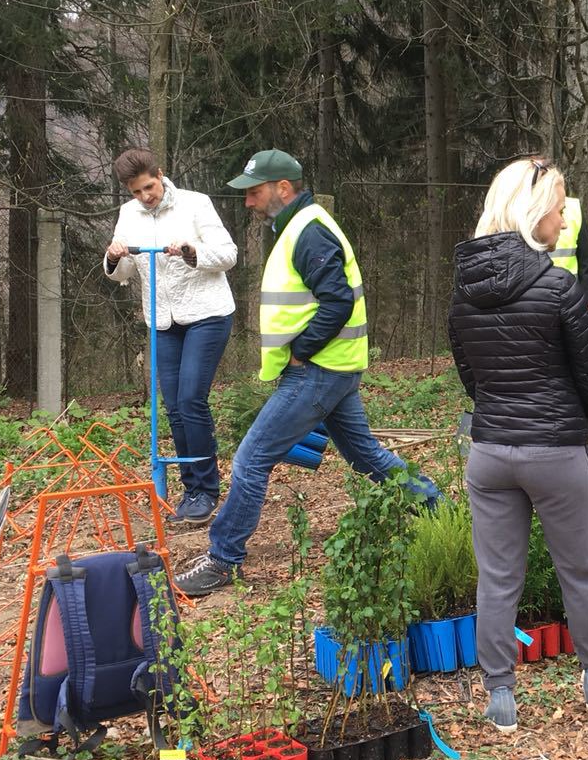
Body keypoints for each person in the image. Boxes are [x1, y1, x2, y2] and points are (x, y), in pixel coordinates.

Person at [176, 149, 441, 597]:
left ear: (284, 188)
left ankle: (223, 560)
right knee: (366, 457)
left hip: (318, 371)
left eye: (255, 192)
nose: (248, 202)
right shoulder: (298, 226)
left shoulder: (310, 231)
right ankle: (441, 510)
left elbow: (336, 300)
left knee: (251, 458)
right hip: (330, 369)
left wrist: (302, 349)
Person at [448, 157, 588, 732]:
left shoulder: (464, 292)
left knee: (497, 577)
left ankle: (500, 695)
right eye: (558, 203)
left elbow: (469, 373)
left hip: (490, 450)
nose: (563, 216)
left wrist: (500, 411)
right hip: (555, 449)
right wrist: (577, 428)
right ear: (533, 212)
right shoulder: (558, 287)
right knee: (579, 569)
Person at [104, 149, 237, 525]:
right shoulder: (130, 215)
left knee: (192, 398)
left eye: (149, 186)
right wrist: (114, 256)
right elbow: (122, 269)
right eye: (136, 192)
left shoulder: (196, 204)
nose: (146, 196)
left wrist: (193, 252)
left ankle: (207, 490)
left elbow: (228, 254)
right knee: (175, 406)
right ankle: (191, 488)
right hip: (163, 321)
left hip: (206, 314)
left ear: (160, 174)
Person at [549, 190, 588, 307]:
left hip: (571, 295)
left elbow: (586, 256)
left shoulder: (573, 207)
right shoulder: (522, 205)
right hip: (536, 297)